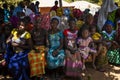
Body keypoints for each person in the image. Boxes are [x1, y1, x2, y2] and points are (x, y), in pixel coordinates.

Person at [28, 15, 47, 80]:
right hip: (35, 48)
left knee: (41, 56)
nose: (38, 23)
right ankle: (35, 74)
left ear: (41, 23)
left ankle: (40, 75)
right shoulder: (32, 32)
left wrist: (46, 48)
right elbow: (31, 43)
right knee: (31, 55)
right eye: (36, 22)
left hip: (42, 47)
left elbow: (47, 42)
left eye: (39, 22)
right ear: (34, 23)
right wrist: (35, 49)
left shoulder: (44, 31)